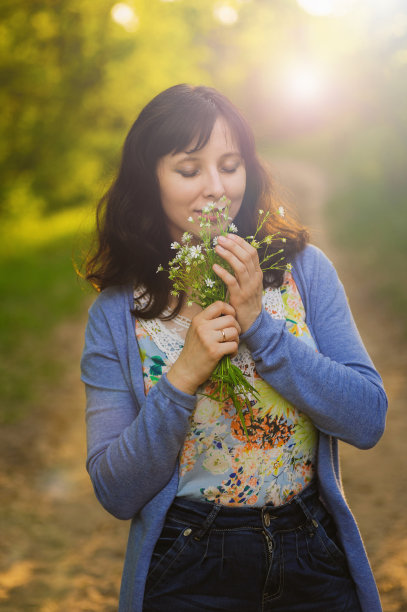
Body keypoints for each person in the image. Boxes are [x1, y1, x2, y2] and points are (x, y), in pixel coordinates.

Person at [81, 84, 387, 612]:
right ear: (148, 179)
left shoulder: (304, 272)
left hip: (311, 552)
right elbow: (116, 491)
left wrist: (262, 328)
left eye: (230, 164)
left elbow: (367, 419)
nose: (216, 188)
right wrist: (184, 375)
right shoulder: (115, 313)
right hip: (187, 565)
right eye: (188, 169)